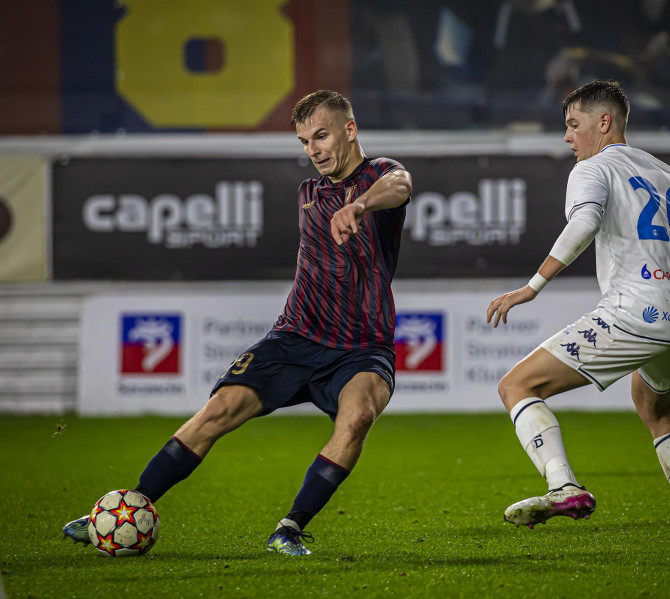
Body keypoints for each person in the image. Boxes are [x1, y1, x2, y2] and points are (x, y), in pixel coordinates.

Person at [62, 90, 413, 555]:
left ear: (350, 130)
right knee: (219, 410)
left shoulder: (380, 175)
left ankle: (288, 528)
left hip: (362, 347)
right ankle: (124, 511)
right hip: (295, 336)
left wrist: (361, 206)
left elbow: (402, 186)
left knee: (358, 416)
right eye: (304, 141)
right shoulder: (308, 193)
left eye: (322, 136)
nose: (313, 150)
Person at [487, 79, 670, 550]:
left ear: (603, 122)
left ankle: (563, 486)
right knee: (654, 406)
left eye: (573, 124)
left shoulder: (592, 168)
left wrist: (532, 286)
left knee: (517, 386)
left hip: (634, 311)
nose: (568, 137)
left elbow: (582, 223)